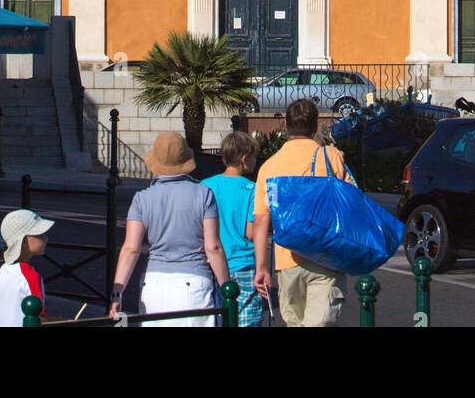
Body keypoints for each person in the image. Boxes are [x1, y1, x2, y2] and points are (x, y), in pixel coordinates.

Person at [109, 131, 229, 327]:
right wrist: (226, 287)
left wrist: (117, 292)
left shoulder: (142, 198)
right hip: (194, 281)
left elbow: (131, 248)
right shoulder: (204, 194)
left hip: (154, 284)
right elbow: (213, 248)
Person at [253, 98, 348, 328]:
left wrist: (262, 268)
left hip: (288, 260)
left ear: (285, 126)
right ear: (316, 127)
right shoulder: (331, 156)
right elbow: (350, 202)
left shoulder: (270, 167)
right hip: (326, 255)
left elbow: (261, 222)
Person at [206, 131, 264, 327]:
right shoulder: (252, 189)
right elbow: (250, 232)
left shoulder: (206, 186)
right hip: (243, 263)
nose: (256, 160)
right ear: (245, 158)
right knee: (247, 319)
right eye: (255, 155)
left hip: (211, 265)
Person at [0, 209, 54, 326]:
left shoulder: (4, 269)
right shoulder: (30, 276)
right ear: (24, 241)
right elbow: (40, 317)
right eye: (40, 234)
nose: (46, 238)